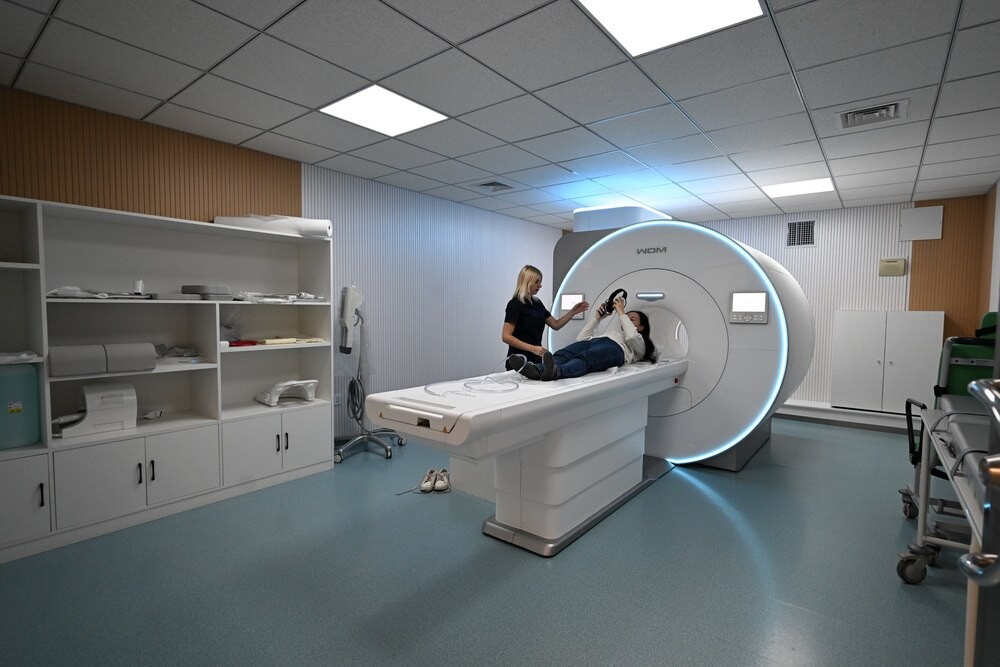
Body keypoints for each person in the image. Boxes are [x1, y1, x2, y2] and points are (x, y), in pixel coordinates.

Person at [508, 294, 656, 381]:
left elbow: (631, 336)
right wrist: (597, 318)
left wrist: (621, 313)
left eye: (632, 319)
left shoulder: (639, 344)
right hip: (598, 341)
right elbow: (581, 338)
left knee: (587, 357)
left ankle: (557, 372)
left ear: (641, 327)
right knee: (564, 353)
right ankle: (537, 370)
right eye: (626, 317)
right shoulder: (612, 333)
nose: (627, 319)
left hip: (616, 349)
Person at [502, 265, 588, 369]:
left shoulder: (537, 303)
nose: (540, 285)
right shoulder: (515, 304)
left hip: (536, 359)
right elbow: (506, 336)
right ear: (527, 282)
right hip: (518, 361)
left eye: (540, 282)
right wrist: (533, 348)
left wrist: (573, 312)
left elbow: (556, 324)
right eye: (536, 282)